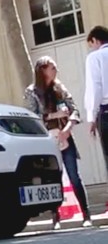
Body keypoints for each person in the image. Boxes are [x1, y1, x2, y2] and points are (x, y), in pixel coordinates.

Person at [24, 56, 92, 229]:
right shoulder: (31, 92)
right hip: (47, 141)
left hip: (64, 137)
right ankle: (56, 217)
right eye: (52, 67)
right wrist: (54, 116)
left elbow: (74, 110)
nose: (56, 70)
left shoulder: (59, 87)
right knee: (53, 179)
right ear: (43, 70)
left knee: (74, 176)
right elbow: (32, 117)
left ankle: (86, 215)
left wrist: (68, 128)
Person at [84, 25, 108, 167]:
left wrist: (91, 117)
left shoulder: (95, 57)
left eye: (91, 44)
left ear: (95, 40)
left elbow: (95, 87)